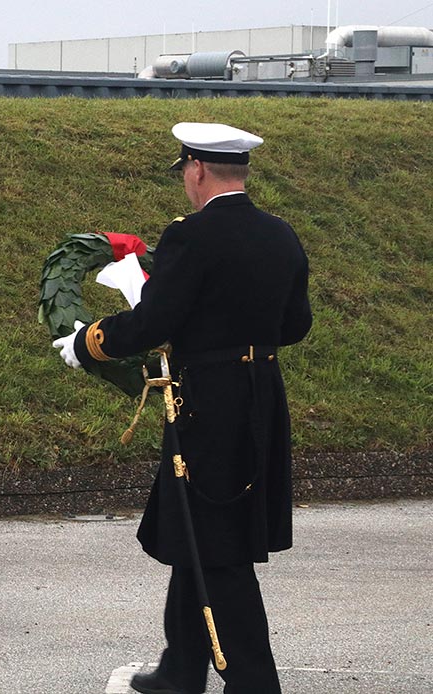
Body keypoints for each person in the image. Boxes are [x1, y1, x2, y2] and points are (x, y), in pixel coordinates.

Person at [53, 122, 312, 694]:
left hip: (207, 403)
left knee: (218, 542)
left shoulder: (191, 237)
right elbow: (295, 325)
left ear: (196, 169)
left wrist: (88, 340)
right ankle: (180, 669)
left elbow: (154, 322)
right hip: (262, 398)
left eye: (185, 175)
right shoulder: (282, 235)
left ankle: (253, 681)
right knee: (201, 528)